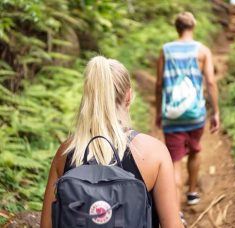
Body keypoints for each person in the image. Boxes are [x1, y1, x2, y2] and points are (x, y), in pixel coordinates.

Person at [41, 56, 184, 228]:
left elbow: (46, 225)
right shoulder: (153, 152)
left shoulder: (66, 152)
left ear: (88, 97)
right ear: (129, 97)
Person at [155, 12, 220, 207]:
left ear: (177, 28)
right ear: (193, 27)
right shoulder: (203, 51)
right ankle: (191, 193)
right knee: (194, 151)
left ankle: (175, 209)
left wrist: (159, 111)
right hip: (195, 115)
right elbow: (210, 82)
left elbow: (159, 85)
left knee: (174, 160)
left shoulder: (165, 50)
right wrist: (215, 112)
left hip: (172, 115)